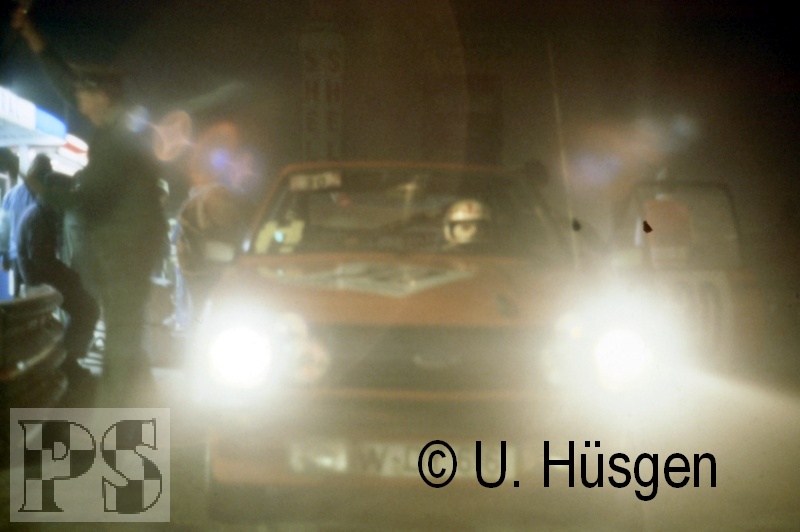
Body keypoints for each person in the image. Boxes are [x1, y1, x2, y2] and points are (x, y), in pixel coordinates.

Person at [12, 8, 168, 407]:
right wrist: (33, 35)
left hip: (125, 257)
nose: (77, 100)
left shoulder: (118, 142)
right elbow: (68, 84)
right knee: (126, 336)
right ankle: (145, 406)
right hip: (126, 255)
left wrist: (38, 185)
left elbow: (88, 202)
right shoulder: (115, 126)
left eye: (84, 94)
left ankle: (114, 419)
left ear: (101, 96)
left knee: (121, 341)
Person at [15, 159, 100, 393]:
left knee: (86, 306)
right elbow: (43, 263)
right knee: (88, 308)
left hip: (43, 280)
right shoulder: (39, 217)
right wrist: (71, 276)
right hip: (39, 284)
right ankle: (68, 362)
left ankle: (68, 359)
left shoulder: (45, 213)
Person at [1, 151, 41, 296]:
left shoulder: (10, 195)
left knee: (19, 293)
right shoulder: (41, 196)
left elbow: (4, 228)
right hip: (37, 255)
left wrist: (4, 255)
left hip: (16, 254)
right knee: (38, 294)